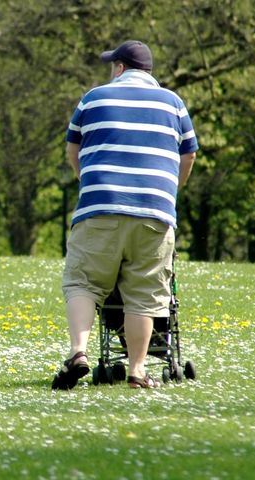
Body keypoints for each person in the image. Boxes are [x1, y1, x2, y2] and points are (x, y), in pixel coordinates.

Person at [52, 40, 198, 390]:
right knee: (144, 294)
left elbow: (73, 148)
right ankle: (136, 370)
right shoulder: (174, 103)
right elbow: (188, 155)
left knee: (83, 282)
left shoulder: (94, 98)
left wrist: (85, 178)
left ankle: (78, 353)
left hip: (99, 205)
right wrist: (168, 192)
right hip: (155, 211)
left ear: (119, 68)